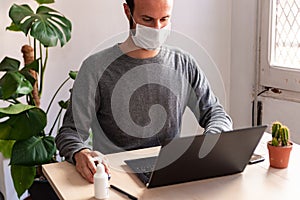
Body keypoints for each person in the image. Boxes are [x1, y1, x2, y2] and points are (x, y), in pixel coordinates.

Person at [55, 0, 233, 184]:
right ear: (127, 11)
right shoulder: (95, 68)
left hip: (169, 177)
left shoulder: (183, 64)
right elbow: (70, 132)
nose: (157, 28)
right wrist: (80, 153)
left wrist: (212, 139)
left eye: (164, 19)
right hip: (116, 178)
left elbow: (216, 114)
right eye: (147, 19)